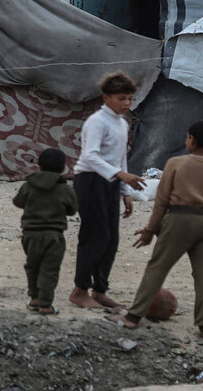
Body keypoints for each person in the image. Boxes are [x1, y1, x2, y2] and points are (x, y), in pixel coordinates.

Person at [109, 120, 203, 339]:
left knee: (157, 268)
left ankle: (132, 317)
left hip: (178, 220)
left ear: (191, 140)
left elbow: (161, 202)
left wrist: (150, 230)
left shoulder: (175, 163)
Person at [70, 71, 146, 310]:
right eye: (121, 98)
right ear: (106, 98)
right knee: (95, 235)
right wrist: (120, 175)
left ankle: (100, 290)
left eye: (130, 99)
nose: (126, 103)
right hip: (90, 180)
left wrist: (125, 191)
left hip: (111, 181)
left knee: (111, 238)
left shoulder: (122, 124)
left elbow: (121, 158)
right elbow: (90, 156)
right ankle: (80, 290)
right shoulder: (97, 122)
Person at [13, 148, 78, 315]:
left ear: (39, 166)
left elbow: (18, 202)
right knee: (49, 270)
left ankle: (34, 299)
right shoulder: (65, 189)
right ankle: (45, 304)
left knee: (32, 266)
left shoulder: (29, 185)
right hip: (54, 236)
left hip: (30, 235)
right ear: (62, 168)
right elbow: (72, 210)